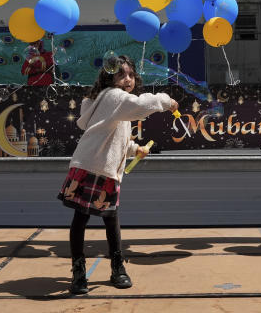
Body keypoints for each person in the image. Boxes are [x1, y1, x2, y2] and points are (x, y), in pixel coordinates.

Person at [57, 54, 178, 295]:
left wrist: (135, 149)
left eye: (131, 75)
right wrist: (166, 101)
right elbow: (142, 105)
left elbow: (116, 137)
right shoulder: (114, 97)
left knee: (108, 220)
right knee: (85, 220)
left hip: (102, 168)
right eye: (121, 74)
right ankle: (81, 273)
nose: (127, 79)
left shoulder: (114, 104)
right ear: (109, 78)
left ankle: (116, 268)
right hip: (92, 166)